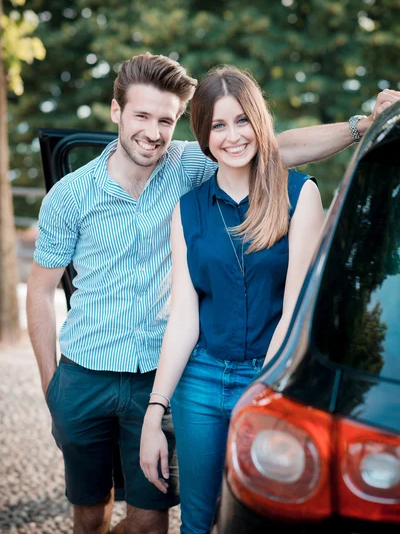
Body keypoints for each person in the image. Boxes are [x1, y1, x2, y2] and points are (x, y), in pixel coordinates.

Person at [27, 51, 399, 534]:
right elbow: (39, 292)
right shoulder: (72, 195)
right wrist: (51, 387)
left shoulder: (188, 163)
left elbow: (275, 147)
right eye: (141, 115)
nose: (153, 132)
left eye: (166, 120)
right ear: (117, 111)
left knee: (148, 521)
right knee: (88, 513)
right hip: (86, 373)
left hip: (159, 373)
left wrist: (362, 125)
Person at [138, 66, 397, 534]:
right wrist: (155, 413)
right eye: (218, 125)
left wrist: (259, 398)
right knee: (196, 522)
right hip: (197, 383)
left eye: (242, 121)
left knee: (254, 519)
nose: (232, 136)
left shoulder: (300, 195)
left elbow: (294, 311)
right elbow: (183, 316)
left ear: (259, 122)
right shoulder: (188, 208)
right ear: (203, 134)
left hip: (268, 375)